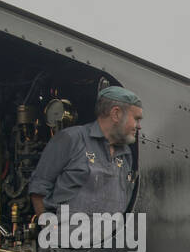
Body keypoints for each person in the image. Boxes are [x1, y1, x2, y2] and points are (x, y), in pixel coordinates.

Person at [29, 86, 143, 217]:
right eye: (136, 119)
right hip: (69, 234)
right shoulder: (71, 139)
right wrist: (51, 229)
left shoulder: (126, 154)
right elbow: (39, 187)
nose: (139, 126)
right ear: (116, 114)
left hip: (109, 236)